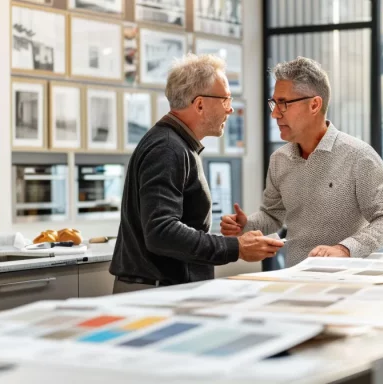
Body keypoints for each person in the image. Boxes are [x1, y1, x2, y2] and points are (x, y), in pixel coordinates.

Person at [110, 54, 284, 293]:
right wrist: (236, 247)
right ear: (200, 104)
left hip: (160, 290)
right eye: (225, 99)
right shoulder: (169, 148)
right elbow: (162, 232)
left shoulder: (174, 144)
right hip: (156, 294)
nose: (231, 109)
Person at [220, 57, 383, 265]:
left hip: (347, 280)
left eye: (283, 103)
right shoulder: (279, 160)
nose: (274, 114)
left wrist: (344, 249)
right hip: (295, 276)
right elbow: (273, 215)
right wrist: (247, 224)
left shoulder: (359, 156)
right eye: (274, 103)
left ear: (314, 104)